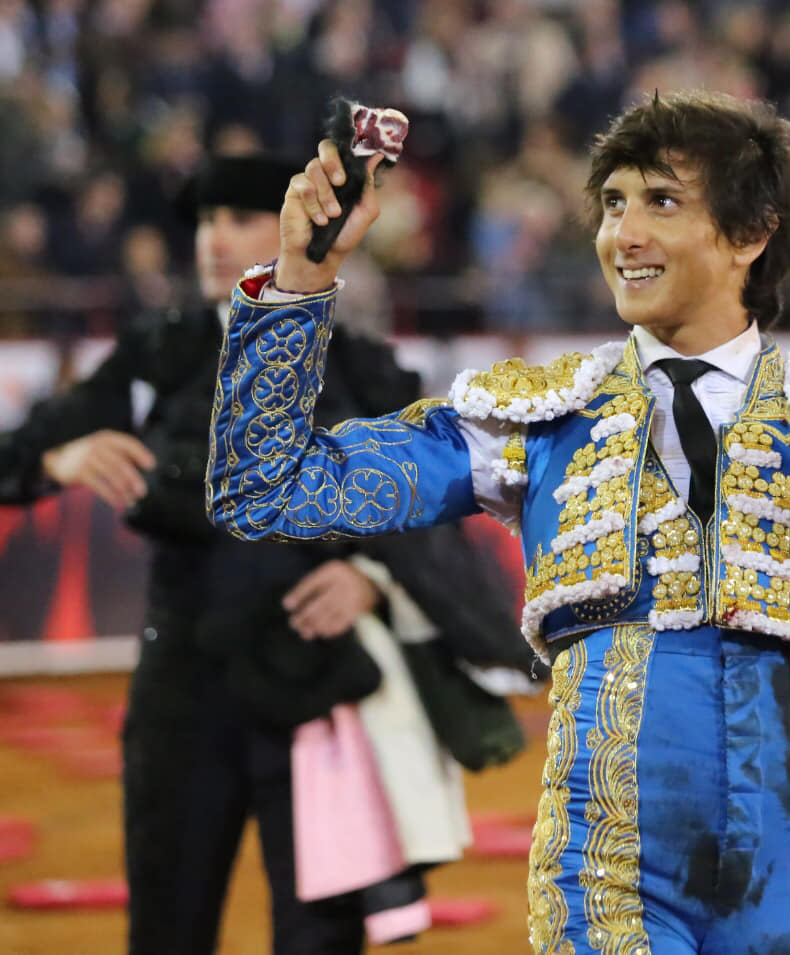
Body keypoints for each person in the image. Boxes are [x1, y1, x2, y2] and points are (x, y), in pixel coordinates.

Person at [208, 91, 790, 953]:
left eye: (661, 201)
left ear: (751, 232)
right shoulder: (539, 418)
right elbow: (266, 487)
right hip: (605, 879)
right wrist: (299, 282)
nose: (624, 233)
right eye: (614, 203)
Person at [1, 154, 535, 954]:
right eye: (208, 220)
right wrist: (56, 461)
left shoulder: (354, 360)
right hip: (183, 689)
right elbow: (19, 453)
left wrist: (372, 583)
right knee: (167, 927)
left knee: (318, 939)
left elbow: (425, 522)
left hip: (316, 694)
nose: (217, 238)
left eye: (242, 218)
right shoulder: (159, 350)